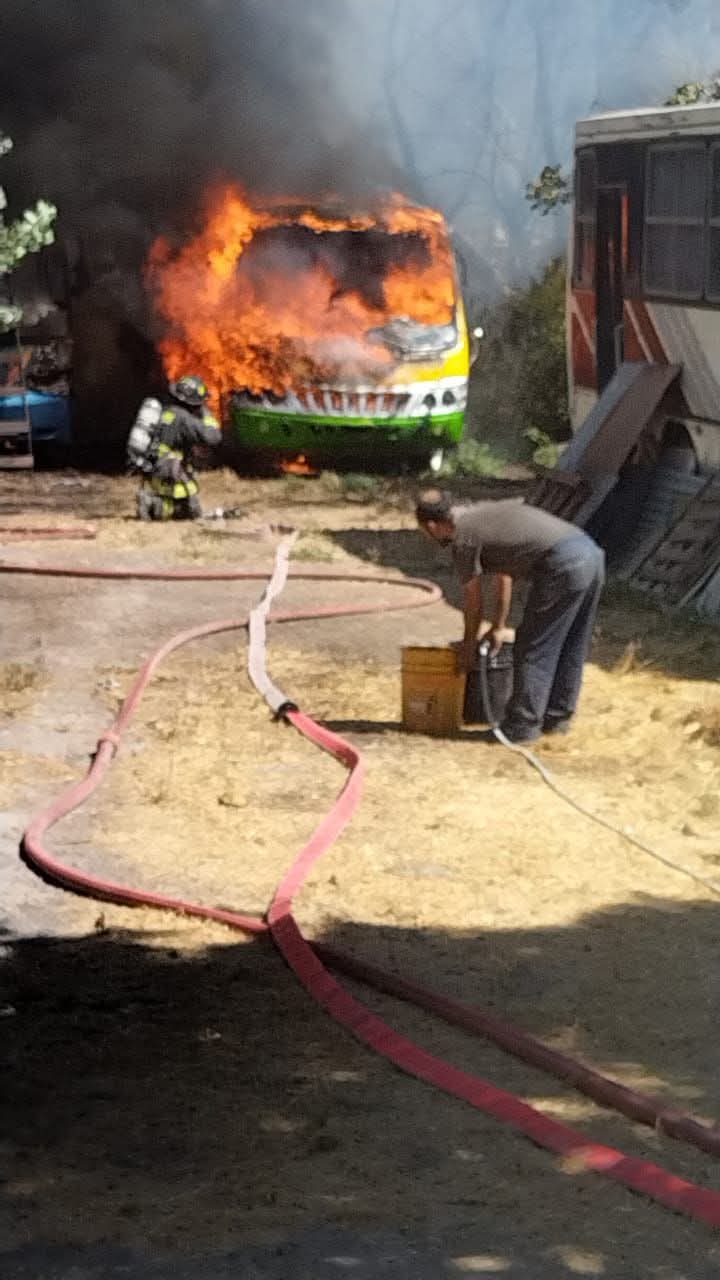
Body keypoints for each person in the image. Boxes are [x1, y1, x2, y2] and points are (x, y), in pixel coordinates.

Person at [415, 488, 605, 743]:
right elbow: (504, 577)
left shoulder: (464, 538)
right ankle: (557, 719)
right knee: (571, 641)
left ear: (432, 526)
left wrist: (469, 646)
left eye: (424, 532)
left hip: (563, 563)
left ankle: (522, 727)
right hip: (590, 553)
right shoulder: (481, 515)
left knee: (533, 647)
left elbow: (474, 601)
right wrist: (497, 627)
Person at [132, 374, 222, 521]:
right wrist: (207, 414)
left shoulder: (167, 411)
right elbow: (213, 437)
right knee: (188, 508)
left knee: (174, 500)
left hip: (157, 466)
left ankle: (154, 502)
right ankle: (150, 503)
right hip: (170, 468)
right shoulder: (184, 418)